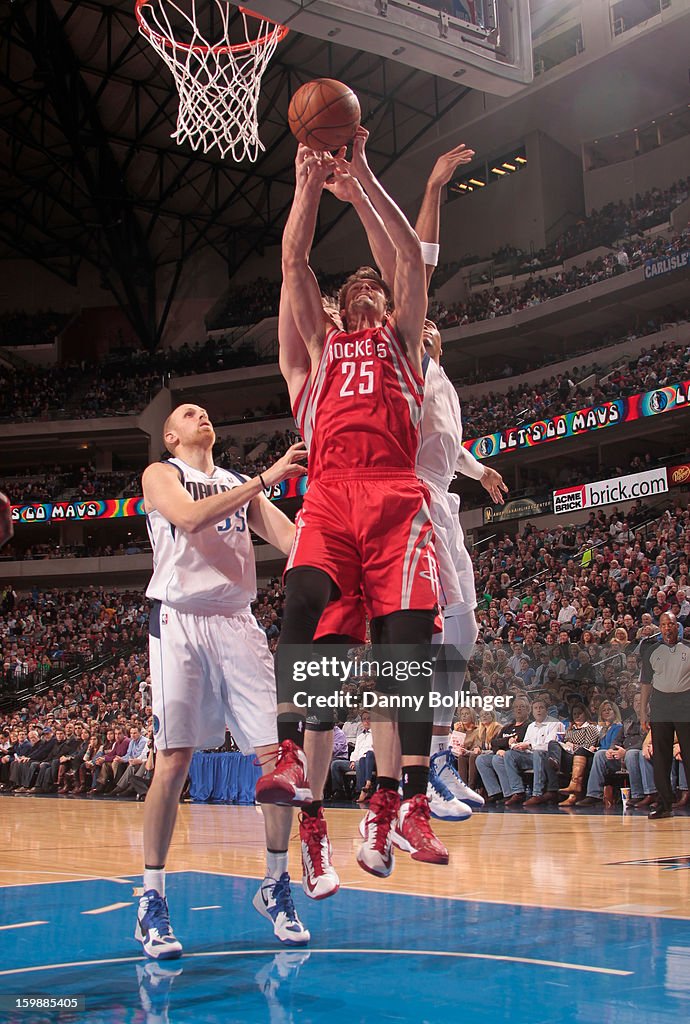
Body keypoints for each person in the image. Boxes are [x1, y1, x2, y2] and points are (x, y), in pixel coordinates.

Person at [257, 131, 447, 880]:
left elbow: (407, 256)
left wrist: (363, 174)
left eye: (376, 283)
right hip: (333, 495)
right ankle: (295, 777)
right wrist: (306, 188)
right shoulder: (314, 357)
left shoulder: (405, 342)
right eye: (354, 285)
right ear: (338, 306)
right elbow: (294, 263)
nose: (367, 283)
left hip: (397, 496)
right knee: (305, 606)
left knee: (408, 660)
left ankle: (402, 804)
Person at [135, 402, 309, 959]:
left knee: (277, 758)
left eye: (208, 412)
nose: (202, 416)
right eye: (189, 413)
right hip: (178, 621)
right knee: (174, 761)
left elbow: (292, 542)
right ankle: (152, 900)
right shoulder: (161, 475)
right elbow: (187, 518)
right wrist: (270, 476)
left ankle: (277, 886)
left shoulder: (238, 483)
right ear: (170, 434)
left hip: (236, 622)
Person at [639, 611, 690, 818]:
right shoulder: (651, 650)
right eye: (663, 624)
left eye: (671, 624)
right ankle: (664, 804)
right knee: (661, 757)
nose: (667, 628)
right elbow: (645, 684)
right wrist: (643, 711)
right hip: (660, 705)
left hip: (685, 704)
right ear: (659, 628)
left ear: (676, 626)